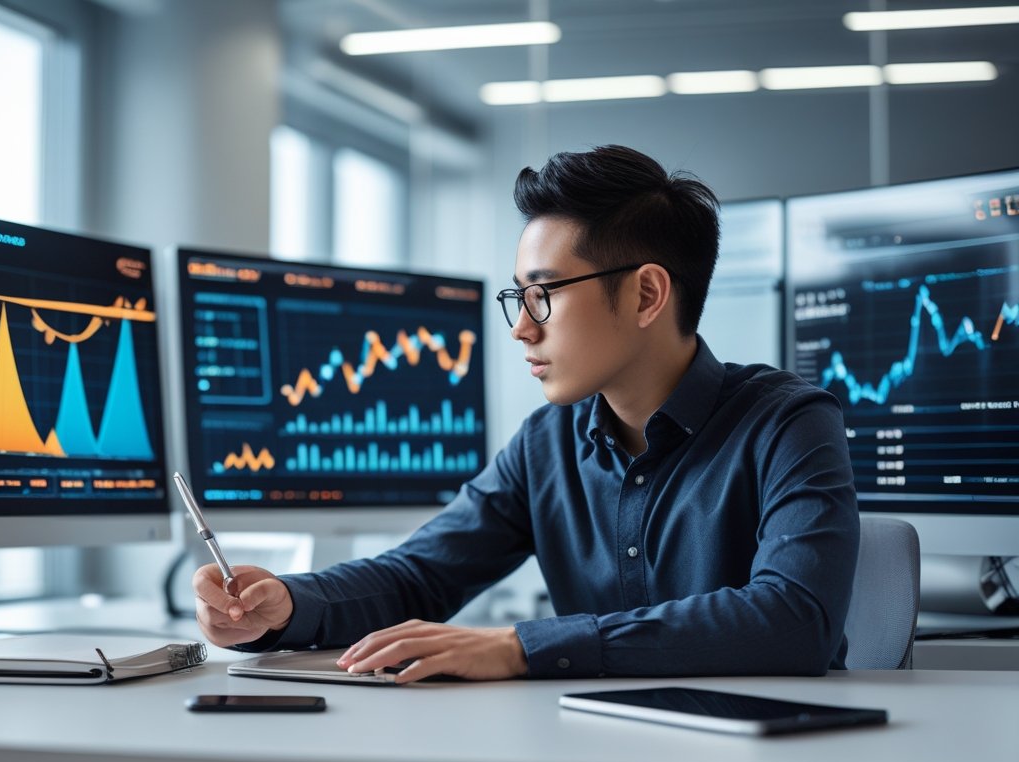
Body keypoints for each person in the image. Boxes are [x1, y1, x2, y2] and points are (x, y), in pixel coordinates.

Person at [193, 143, 859, 686]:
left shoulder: (790, 423)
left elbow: (793, 620)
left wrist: (524, 647)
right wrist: (284, 605)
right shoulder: (547, 444)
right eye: (519, 298)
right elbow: (421, 574)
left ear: (647, 293)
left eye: (543, 296)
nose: (521, 330)